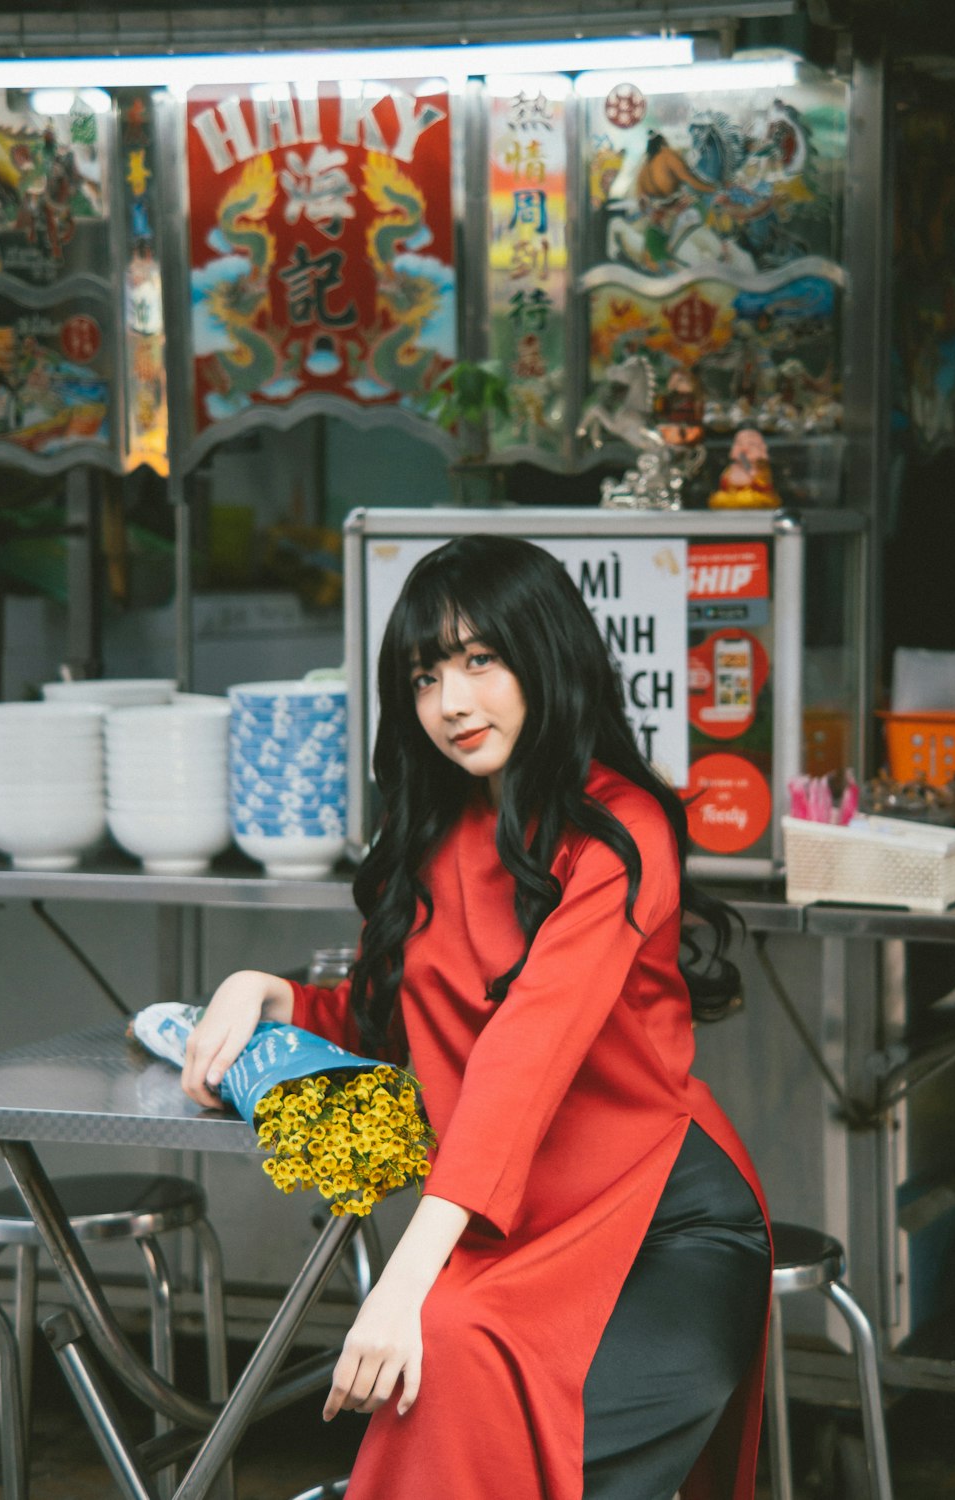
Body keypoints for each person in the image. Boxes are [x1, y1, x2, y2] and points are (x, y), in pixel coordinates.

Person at [182, 535, 771, 1500]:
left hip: (658, 1223)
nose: (450, 702)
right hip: (509, 1228)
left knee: (477, 1399)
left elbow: (523, 1054)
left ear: (544, 652)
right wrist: (273, 991)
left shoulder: (620, 832)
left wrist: (406, 1278)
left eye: (479, 660)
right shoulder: (434, 832)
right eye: (424, 675)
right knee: (447, 1388)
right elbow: (410, 1019)